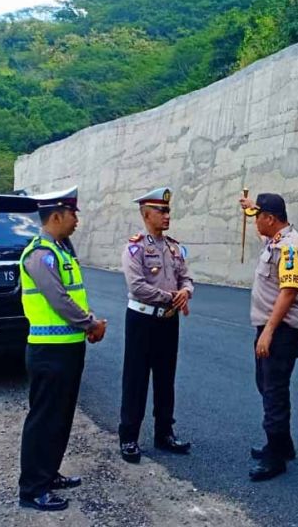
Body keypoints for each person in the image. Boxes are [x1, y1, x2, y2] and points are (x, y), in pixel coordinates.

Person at [17, 186, 107, 512]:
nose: (77, 220)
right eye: (73, 214)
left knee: (60, 417)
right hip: (48, 352)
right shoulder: (40, 255)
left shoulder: (61, 250)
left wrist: (88, 324)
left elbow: (74, 296)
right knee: (44, 419)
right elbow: (60, 300)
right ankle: (32, 489)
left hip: (67, 349)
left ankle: (48, 473)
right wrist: (91, 324)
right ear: (56, 215)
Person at [239, 192, 298, 481]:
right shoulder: (276, 239)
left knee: (274, 389)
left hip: (283, 327)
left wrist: (268, 331)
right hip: (272, 324)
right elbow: (261, 225)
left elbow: (289, 291)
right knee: (266, 382)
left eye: (258, 217)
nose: (255, 221)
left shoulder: (291, 247)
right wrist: (248, 207)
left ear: (270, 219)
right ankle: (283, 443)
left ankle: (276, 456)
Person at [118, 187, 194, 462]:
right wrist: (171, 297)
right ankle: (128, 437)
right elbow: (137, 287)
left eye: (168, 210)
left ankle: (164, 433)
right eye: (161, 211)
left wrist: (186, 291)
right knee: (136, 379)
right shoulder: (135, 248)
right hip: (142, 320)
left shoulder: (174, 247)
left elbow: (186, 277)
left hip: (168, 321)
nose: (166, 215)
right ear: (146, 214)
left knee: (166, 378)